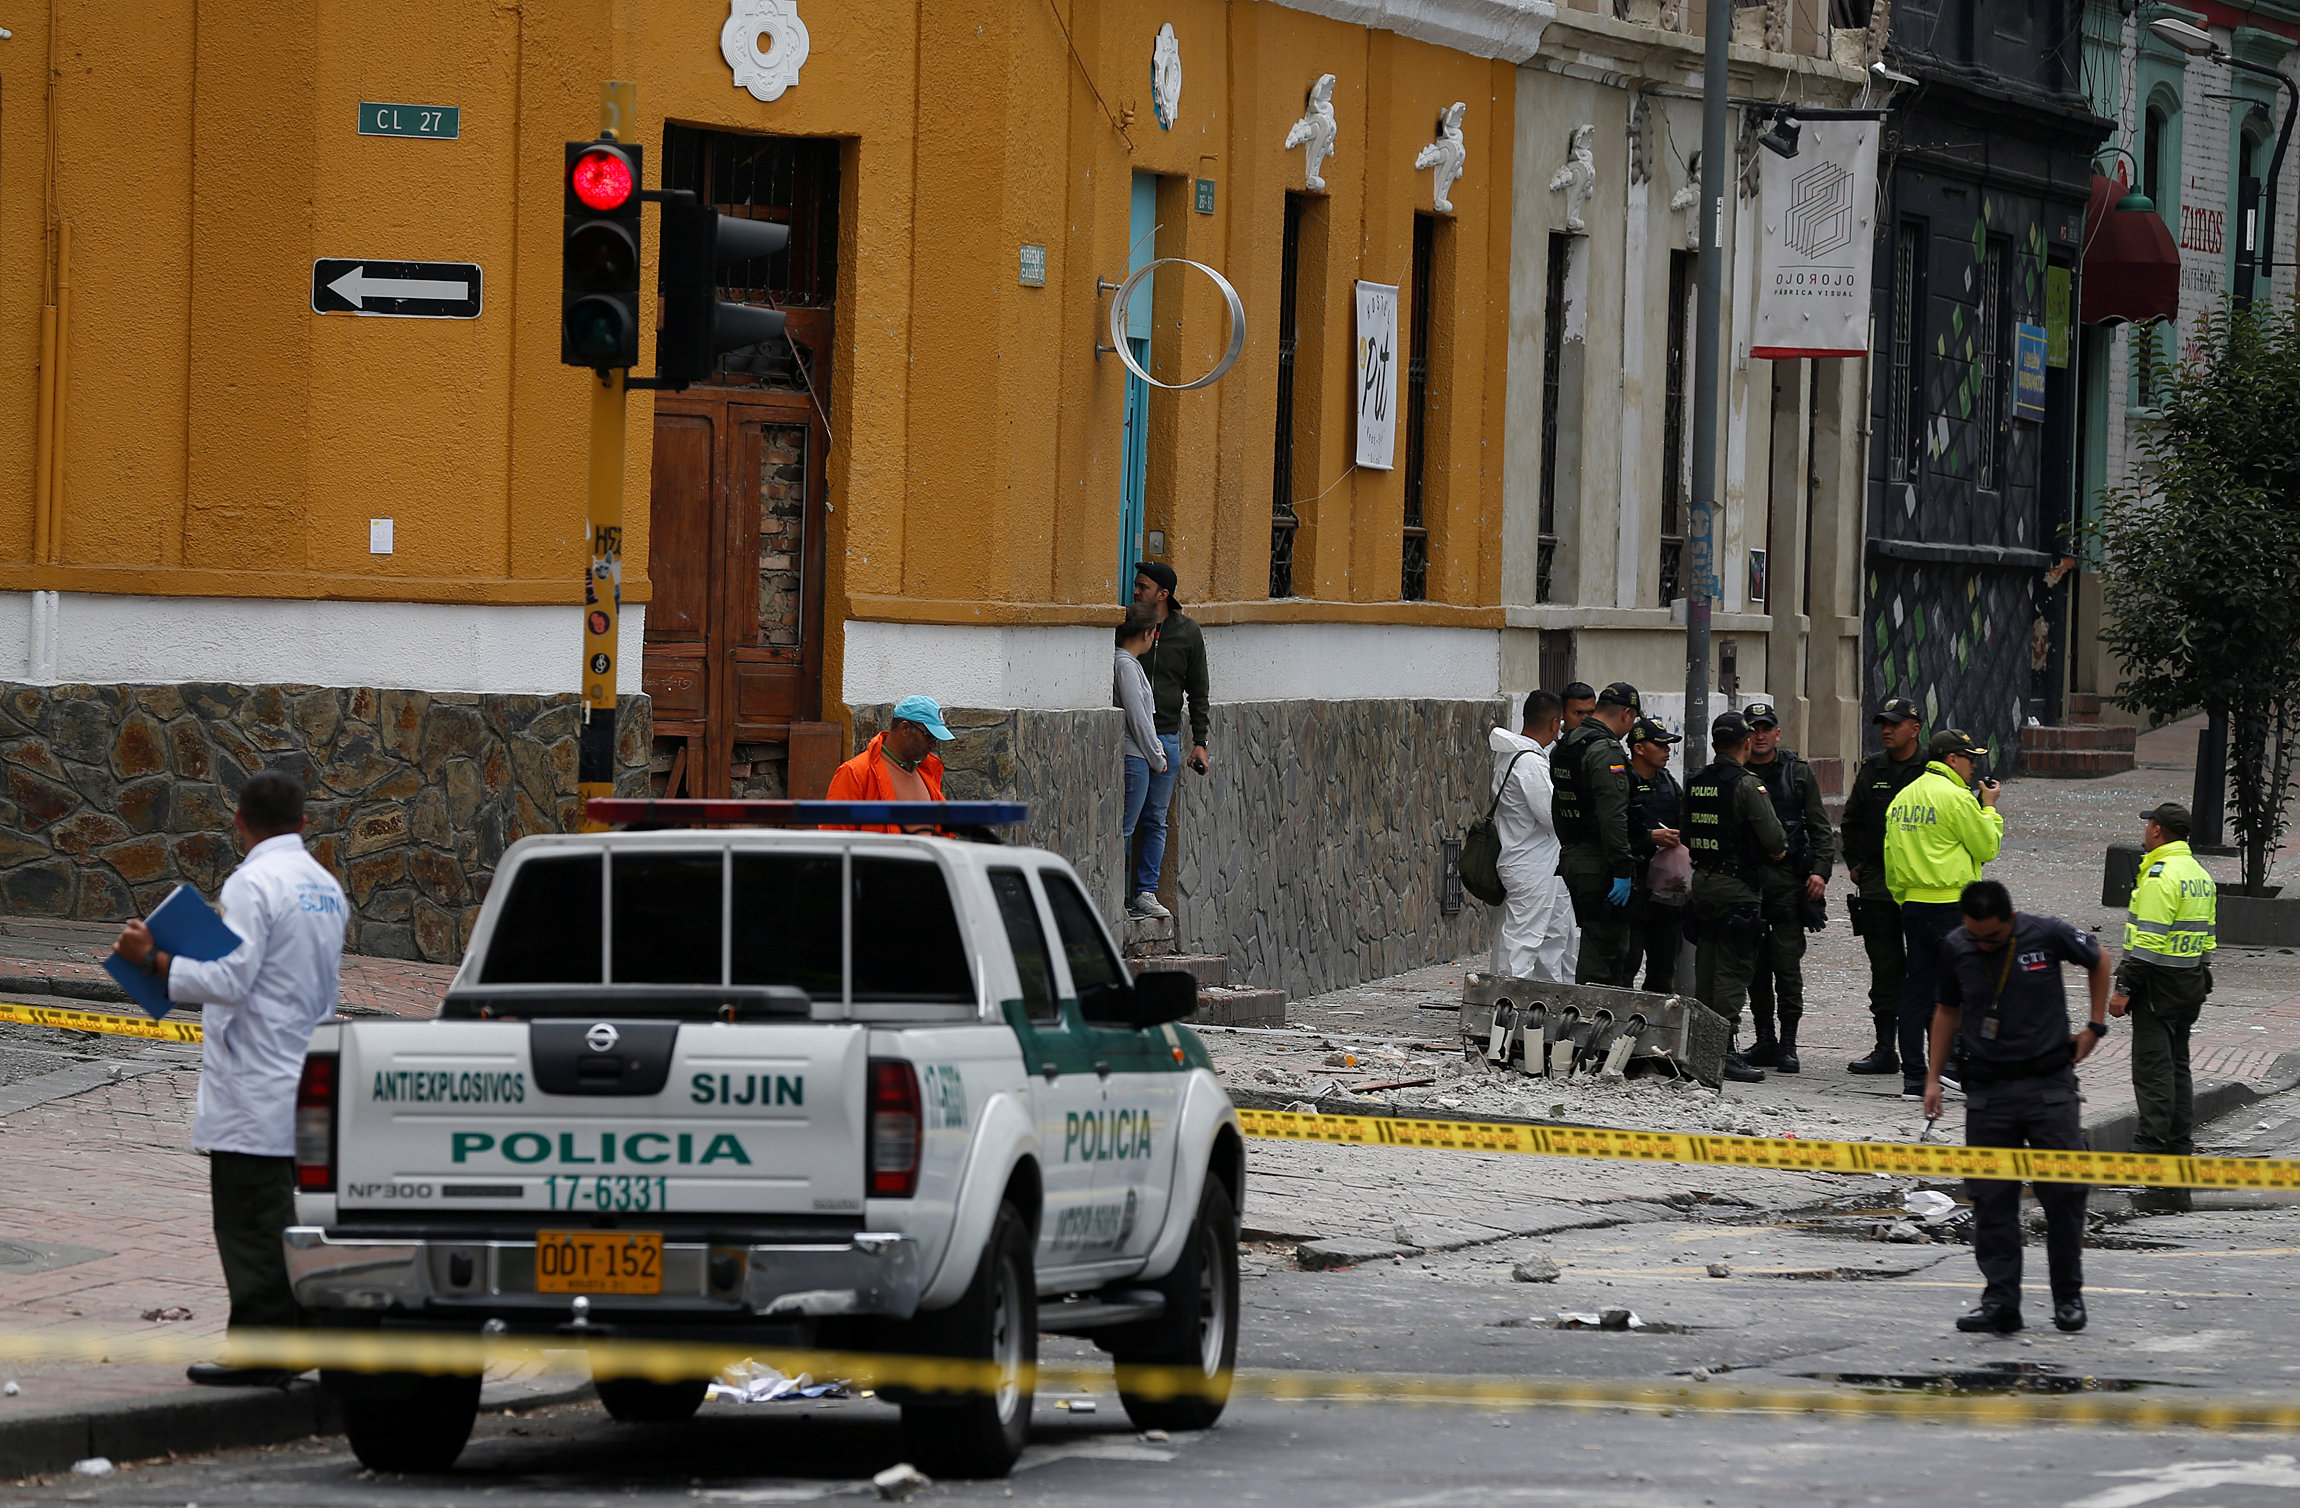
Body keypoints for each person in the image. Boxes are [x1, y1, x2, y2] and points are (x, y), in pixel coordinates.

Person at [112, 770, 348, 1386]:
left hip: (255, 1082)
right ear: (303, 823)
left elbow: (230, 977)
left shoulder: (253, 883)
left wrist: (153, 961)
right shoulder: (324, 886)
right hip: (308, 1071)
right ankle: (306, 1337)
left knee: (250, 1221)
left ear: (239, 822)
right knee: (299, 1217)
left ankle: (262, 1349)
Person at [1923, 880, 2109, 1335]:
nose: (1982, 944)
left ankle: (2068, 1297)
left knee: (2064, 1197)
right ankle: (2001, 1302)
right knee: (1992, 1200)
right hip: (1989, 1093)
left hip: (2049, 1086)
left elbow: (2099, 959)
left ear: (2010, 921)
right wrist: (1932, 1078)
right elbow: (1947, 1011)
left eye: (1992, 937)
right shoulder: (1956, 946)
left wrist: (2094, 1026)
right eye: (1974, 936)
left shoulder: (2045, 934)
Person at [2109, 801, 2218, 1212]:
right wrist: (2201, 974)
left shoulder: (2160, 875)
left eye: (2148, 825)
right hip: (2189, 982)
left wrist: (2123, 988)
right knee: (2177, 1066)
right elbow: (2207, 935)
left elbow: (2148, 942)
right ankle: (2177, 1145)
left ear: (2157, 831)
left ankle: (2149, 1152)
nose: (2145, 831)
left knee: (2153, 1070)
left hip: (2157, 986)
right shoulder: (2199, 874)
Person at [1885, 728, 2005, 1101]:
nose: (1973, 767)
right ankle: (1954, 1069)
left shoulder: (1903, 797)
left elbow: (1891, 858)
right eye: (1970, 759)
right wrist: (1990, 807)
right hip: (1953, 907)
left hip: (1914, 907)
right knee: (1966, 991)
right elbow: (1987, 847)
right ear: (1952, 759)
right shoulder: (1956, 798)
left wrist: (1905, 899)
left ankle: (1914, 1078)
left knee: (1916, 991)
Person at [1684, 712, 1787, 1083]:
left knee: (1707, 969)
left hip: (1704, 884)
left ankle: (1702, 1049)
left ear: (1714, 744)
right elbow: (1775, 840)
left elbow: (1687, 832)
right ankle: (1723, 1052)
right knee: (1732, 971)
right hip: (1737, 888)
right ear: (1746, 743)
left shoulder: (1697, 782)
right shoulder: (1748, 785)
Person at [1741, 701, 1835, 1075]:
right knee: (1755, 969)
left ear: (1777, 734)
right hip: (1748, 884)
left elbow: (1819, 827)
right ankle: (1765, 1039)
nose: (1760, 736)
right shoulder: (1736, 773)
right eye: (1753, 729)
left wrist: (1820, 873)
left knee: (1787, 968)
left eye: (1766, 729)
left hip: (1787, 887)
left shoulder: (1797, 773)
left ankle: (1789, 1043)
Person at [1837, 696, 1929, 1077]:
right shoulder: (1873, 767)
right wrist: (1856, 863)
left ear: (1915, 728)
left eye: (1894, 723)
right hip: (1878, 884)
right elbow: (1853, 819)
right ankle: (1884, 1048)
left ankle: (1928, 1053)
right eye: (1882, 724)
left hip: (1923, 887)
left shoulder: (1932, 771)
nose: (1886, 730)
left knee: (1925, 968)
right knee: (1885, 968)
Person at [1131, 562, 1210, 920]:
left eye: (1143, 587)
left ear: (1163, 595)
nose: (1135, 591)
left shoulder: (1187, 631)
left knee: (1156, 819)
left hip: (1167, 736)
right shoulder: (1129, 625)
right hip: (1131, 737)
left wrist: (1200, 741)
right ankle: (1117, 889)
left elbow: (1198, 690)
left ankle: (1146, 891)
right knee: (1127, 817)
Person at [1551, 681, 1643, 987]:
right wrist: (1623, 868)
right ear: (1627, 714)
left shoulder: (1568, 744)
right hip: (1599, 863)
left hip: (1574, 857)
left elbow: (1559, 806)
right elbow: (1613, 816)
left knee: (1595, 942)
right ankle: (1595, 1027)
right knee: (1606, 956)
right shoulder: (1605, 751)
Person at [1488, 691, 1579, 982]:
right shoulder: (1530, 763)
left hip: (1534, 861)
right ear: (1555, 722)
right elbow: (1552, 815)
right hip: (1531, 863)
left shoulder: (1513, 756)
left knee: (1552, 937)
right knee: (1523, 941)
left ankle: (1541, 1002)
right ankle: (1508, 1007)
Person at [827, 694, 951, 832]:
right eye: (930, 737)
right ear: (905, 728)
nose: (933, 745)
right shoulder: (855, 772)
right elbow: (834, 837)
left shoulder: (927, 772)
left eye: (936, 740)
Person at [1625, 716, 1686, 992]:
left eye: (1668, 745)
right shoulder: (1622, 780)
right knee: (1627, 962)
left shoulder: (1668, 782)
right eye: (1660, 745)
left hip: (1666, 888)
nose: (1667, 751)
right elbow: (1614, 831)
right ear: (1639, 748)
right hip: (1632, 885)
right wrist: (1649, 837)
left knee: (1663, 967)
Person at [1115, 605, 1170, 890]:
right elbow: (1137, 717)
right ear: (1147, 633)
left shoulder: (1130, 664)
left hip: (1139, 755)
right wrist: (1157, 756)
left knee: (1127, 828)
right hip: (1135, 758)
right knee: (1124, 830)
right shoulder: (1126, 665)